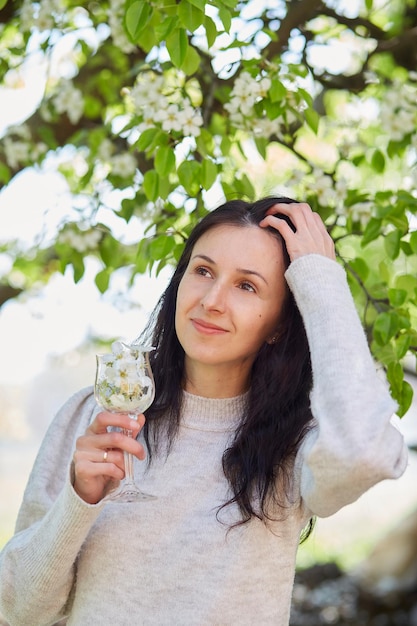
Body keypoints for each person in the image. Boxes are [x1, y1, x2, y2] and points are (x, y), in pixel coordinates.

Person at [0, 197, 408, 626]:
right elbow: (18, 611)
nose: (212, 300)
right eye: (203, 271)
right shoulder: (94, 415)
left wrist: (321, 279)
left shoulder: (297, 447)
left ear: (279, 327)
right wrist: (79, 500)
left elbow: (364, 452)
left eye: (246, 285)